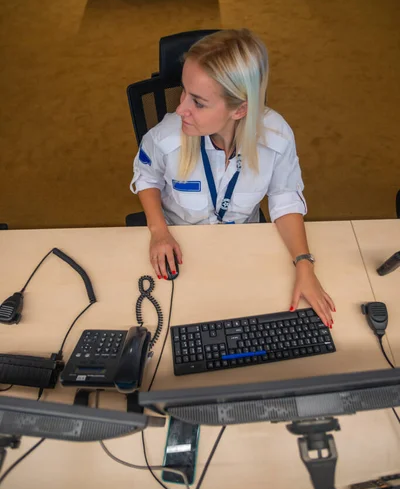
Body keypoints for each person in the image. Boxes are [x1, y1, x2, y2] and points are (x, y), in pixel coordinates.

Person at [131, 29, 335, 327]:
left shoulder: (276, 137)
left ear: (240, 109)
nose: (180, 109)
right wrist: (159, 231)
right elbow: (146, 176)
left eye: (198, 103)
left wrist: (304, 264)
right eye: (183, 92)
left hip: (244, 245)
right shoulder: (165, 138)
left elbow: (284, 199)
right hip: (182, 243)